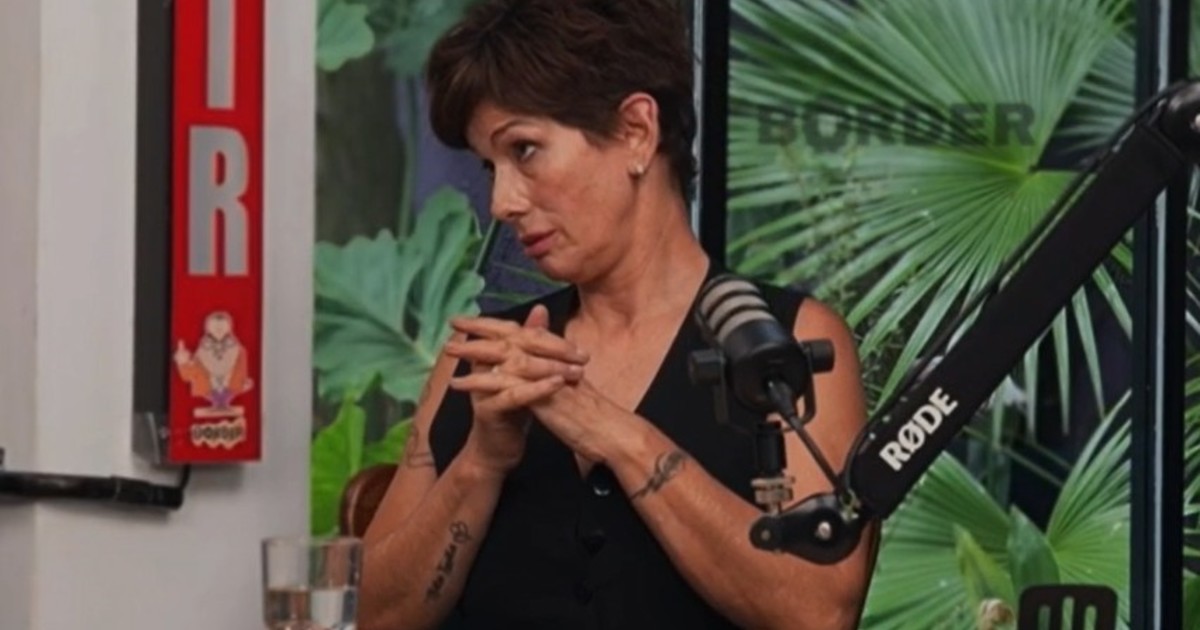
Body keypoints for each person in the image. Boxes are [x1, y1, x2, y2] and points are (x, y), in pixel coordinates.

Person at [359, 1, 876, 628]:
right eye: (491, 167)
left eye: (525, 150)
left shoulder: (788, 342)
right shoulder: (480, 363)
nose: (502, 202)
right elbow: (369, 618)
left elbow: (819, 612)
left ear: (635, 131)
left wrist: (616, 434)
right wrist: (480, 464)